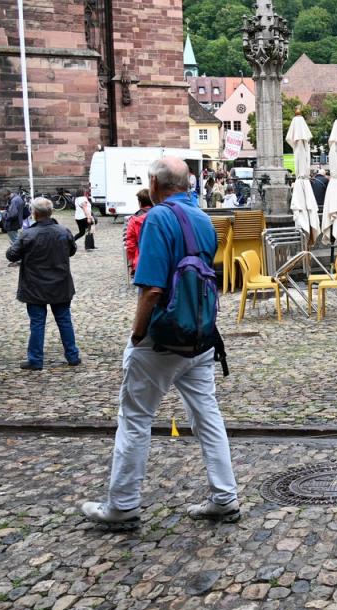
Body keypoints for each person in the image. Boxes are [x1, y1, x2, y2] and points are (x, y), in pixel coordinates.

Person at [81, 156, 239, 528]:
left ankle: (122, 505)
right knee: (208, 416)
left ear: (154, 183)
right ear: (188, 184)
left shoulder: (157, 217)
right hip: (200, 336)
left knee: (135, 418)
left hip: (161, 338)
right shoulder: (204, 219)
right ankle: (225, 496)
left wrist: (137, 335)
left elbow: (152, 288)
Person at [5, 197, 80, 370]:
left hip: (34, 287)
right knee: (64, 320)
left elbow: (11, 255)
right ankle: (72, 356)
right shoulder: (63, 231)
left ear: (34, 213)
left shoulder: (28, 235)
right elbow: (72, 250)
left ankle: (36, 359)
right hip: (60, 284)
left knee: (37, 323)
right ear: (51, 212)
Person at [124, 189, 154, 276]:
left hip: (141, 259)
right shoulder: (160, 215)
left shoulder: (134, 220)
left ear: (140, 202)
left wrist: (131, 261)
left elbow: (130, 243)